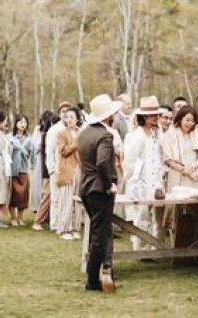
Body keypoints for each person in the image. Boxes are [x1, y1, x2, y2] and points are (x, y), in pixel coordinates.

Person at [78, 94, 121, 294]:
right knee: (100, 236)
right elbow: (103, 162)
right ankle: (92, 280)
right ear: (107, 116)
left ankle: (93, 276)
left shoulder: (84, 133)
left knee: (96, 234)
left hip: (85, 186)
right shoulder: (105, 135)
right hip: (98, 188)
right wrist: (108, 184)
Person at [161, 105, 198, 247]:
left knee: (197, 209)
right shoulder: (170, 135)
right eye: (187, 120)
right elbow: (168, 159)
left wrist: (193, 167)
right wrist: (185, 170)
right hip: (178, 176)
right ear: (180, 118)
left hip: (196, 175)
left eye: (192, 120)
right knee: (177, 211)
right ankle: (176, 246)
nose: (189, 123)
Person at [123, 96, 165, 250]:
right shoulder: (137, 136)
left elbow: (158, 158)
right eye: (153, 116)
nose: (156, 118)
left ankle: (156, 246)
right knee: (142, 216)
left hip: (155, 182)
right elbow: (130, 162)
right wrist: (136, 184)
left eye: (157, 115)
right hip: (141, 183)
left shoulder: (155, 134)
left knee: (156, 218)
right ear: (144, 117)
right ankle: (141, 248)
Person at [56, 107, 82, 240]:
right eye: (67, 117)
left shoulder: (81, 132)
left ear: (77, 119)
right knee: (66, 200)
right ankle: (64, 228)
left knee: (78, 200)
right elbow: (64, 151)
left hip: (79, 168)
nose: (70, 119)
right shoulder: (61, 133)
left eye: (72, 117)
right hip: (67, 169)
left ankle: (75, 228)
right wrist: (75, 143)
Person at [46, 101, 72, 232]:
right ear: (59, 113)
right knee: (56, 198)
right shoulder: (54, 129)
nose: (66, 114)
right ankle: (55, 224)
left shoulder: (73, 129)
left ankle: (65, 223)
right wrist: (51, 169)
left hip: (70, 169)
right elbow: (49, 151)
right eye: (63, 112)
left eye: (68, 111)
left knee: (67, 199)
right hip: (56, 167)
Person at [32, 111, 57, 231]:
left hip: (49, 169)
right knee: (46, 195)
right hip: (48, 170)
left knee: (49, 196)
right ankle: (38, 221)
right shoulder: (46, 135)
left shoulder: (48, 134)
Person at [8, 115, 33, 226]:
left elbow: (32, 154)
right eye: (20, 122)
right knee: (12, 194)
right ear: (15, 124)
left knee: (23, 194)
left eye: (24, 122)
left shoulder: (29, 139)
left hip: (23, 169)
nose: (23, 124)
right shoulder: (9, 137)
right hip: (12, 169)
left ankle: (20, 218)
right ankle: (12, 218)